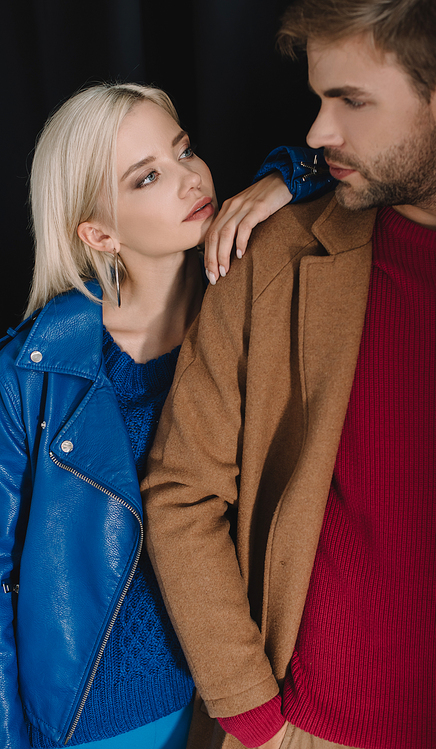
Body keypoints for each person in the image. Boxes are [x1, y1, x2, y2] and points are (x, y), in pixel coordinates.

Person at [142, 1, 436, 748]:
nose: (316, 131)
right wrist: (251, 714)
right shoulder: (272, 257)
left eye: (351, 101)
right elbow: (182, 487)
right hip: (302, 730)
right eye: (318, 97)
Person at [0, 81, 330, 749]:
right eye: (148, 176)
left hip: (233, 700)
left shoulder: (246, 313)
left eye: (184, 151)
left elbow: (351, 170)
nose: (190, 179)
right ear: (98, 231)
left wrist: (281, 181)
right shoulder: (33, 370)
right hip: (90, 722)